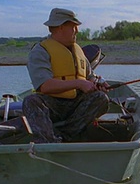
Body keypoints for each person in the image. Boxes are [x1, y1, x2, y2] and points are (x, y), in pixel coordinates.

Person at [24, 8, 110, 143]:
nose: (77, 31)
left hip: (76, 103)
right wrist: (79, 83)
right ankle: (48, 142)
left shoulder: (78, 51)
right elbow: (45, 86)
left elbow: (89, 76)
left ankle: (64, 136)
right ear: (60, 27)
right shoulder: (40, 51)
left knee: (101, 98)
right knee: (31, 101)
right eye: (73, 27)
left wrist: (97, 82)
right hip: (53, 105)